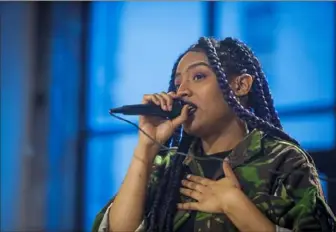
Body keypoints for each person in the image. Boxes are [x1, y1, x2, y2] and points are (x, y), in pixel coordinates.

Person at [92, 37, 336, 232]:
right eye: (177, 84)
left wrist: (235, 205)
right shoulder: (168, 165)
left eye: (198, 76)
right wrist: (145, 148)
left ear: (241, 85)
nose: (182, 91)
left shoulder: (284, 161)